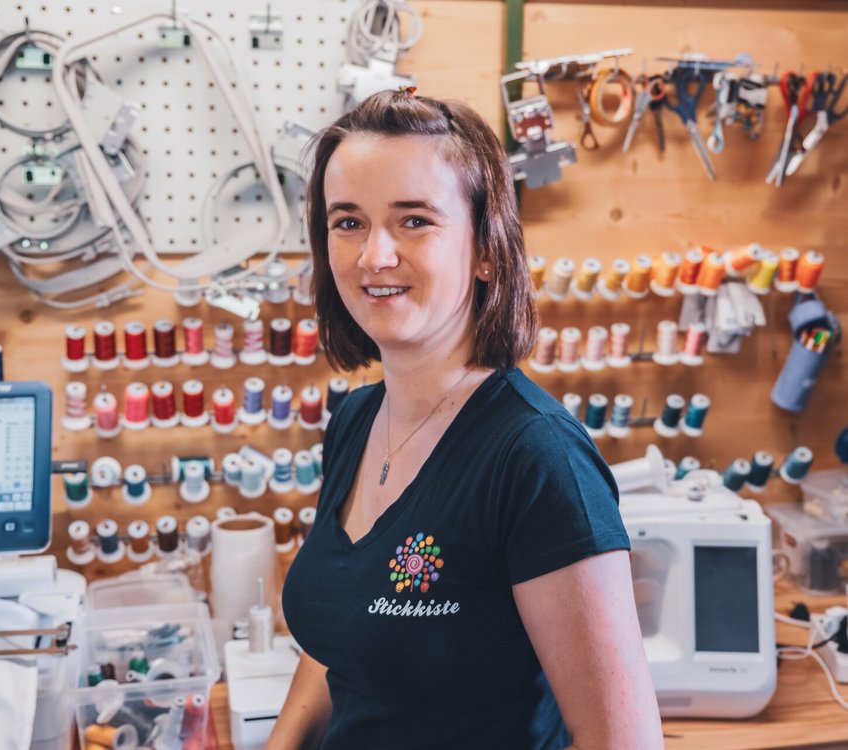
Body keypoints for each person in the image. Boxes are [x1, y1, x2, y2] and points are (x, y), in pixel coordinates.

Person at [272, 88, 662, 750]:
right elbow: (345, 632)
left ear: (485, 249)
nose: (374, 256)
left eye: (414, 220)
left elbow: (621, 741)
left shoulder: (536, 460)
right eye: (348, 222)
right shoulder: (357, 419)